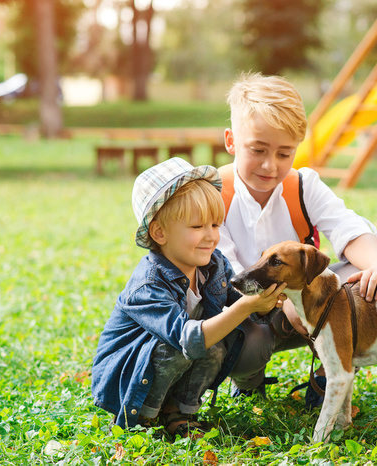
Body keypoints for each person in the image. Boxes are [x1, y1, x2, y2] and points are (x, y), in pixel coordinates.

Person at [218, 73, 377, 406]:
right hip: (240, 310)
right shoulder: (214, 193)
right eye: (257, 150)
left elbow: (349, 228)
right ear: (231, 141)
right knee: (250, 348)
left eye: (285, 154)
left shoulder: (303, 186)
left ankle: (328, 374)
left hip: (304, 305)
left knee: (351, 282)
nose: (271, 165)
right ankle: (247, 379)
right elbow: (225, 273)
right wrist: (282, 301)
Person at [91, 158, 287, 438]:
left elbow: (236, 302)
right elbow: (187, 338)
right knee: (179, 347)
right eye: (197, 227)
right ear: (159, 232)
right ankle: (142, 418)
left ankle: (178, 412)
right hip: (128, 375)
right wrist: (245, 307)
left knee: (215, 346)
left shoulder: (214, 265)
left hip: (177, 357)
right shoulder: (148, 284)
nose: (211, 237)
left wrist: (267, 303)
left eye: (216, 225)